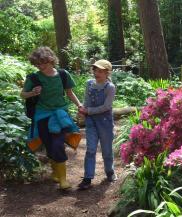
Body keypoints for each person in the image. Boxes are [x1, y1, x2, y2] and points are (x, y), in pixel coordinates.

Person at [21, 46, 82, 189]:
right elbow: (22, 94)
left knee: (57, 144)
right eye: (38, 64)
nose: (41, 66)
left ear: (51, 60)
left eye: (44, 63)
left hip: (60, 115)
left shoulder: (63, 74)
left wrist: (79, 105)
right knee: (49, 145)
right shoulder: (33, 78)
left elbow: (69, 92)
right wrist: (32, 93)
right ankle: (55, 172)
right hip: (42, 116)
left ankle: (63, 180)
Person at [77, 59, 116, 190]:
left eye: (100, 71)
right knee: (90, 149)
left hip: (105, 122)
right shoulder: (89, 83)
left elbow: (107, 106)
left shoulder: (110, 87)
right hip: (91, 122)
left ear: (107, 73)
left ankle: (109, 172)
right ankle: (88, 178)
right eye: (95, 70)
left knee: (106, 149)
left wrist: (89, 111)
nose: (96, 73)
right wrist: (83, 110)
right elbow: (86, 100)